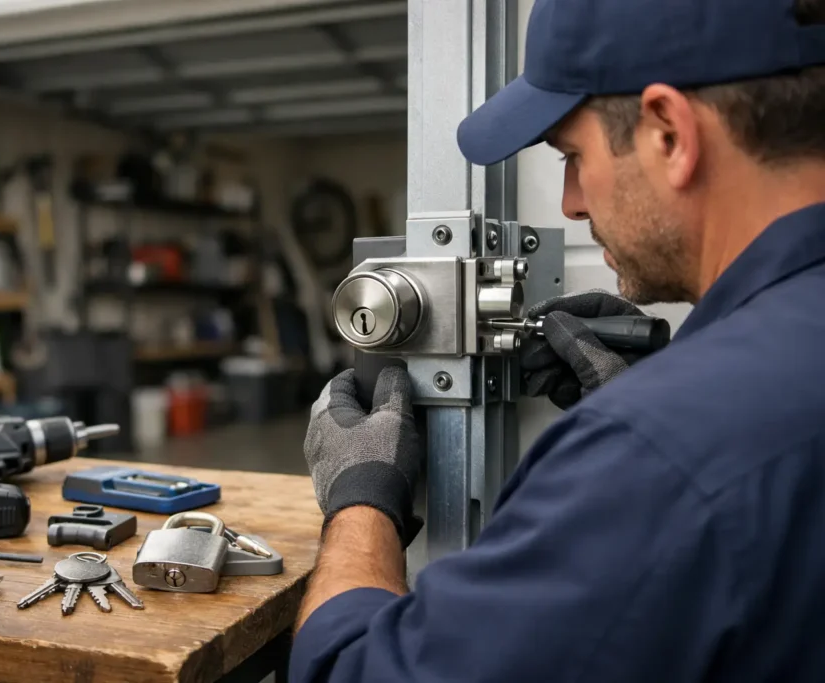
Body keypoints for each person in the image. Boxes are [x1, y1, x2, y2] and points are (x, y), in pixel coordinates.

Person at [290, 0, 825, 681]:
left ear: (669, 133)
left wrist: (360, 498)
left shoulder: (653, 454)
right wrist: (677, 379)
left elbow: (356, 671)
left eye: (574, 155)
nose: (571, 201)